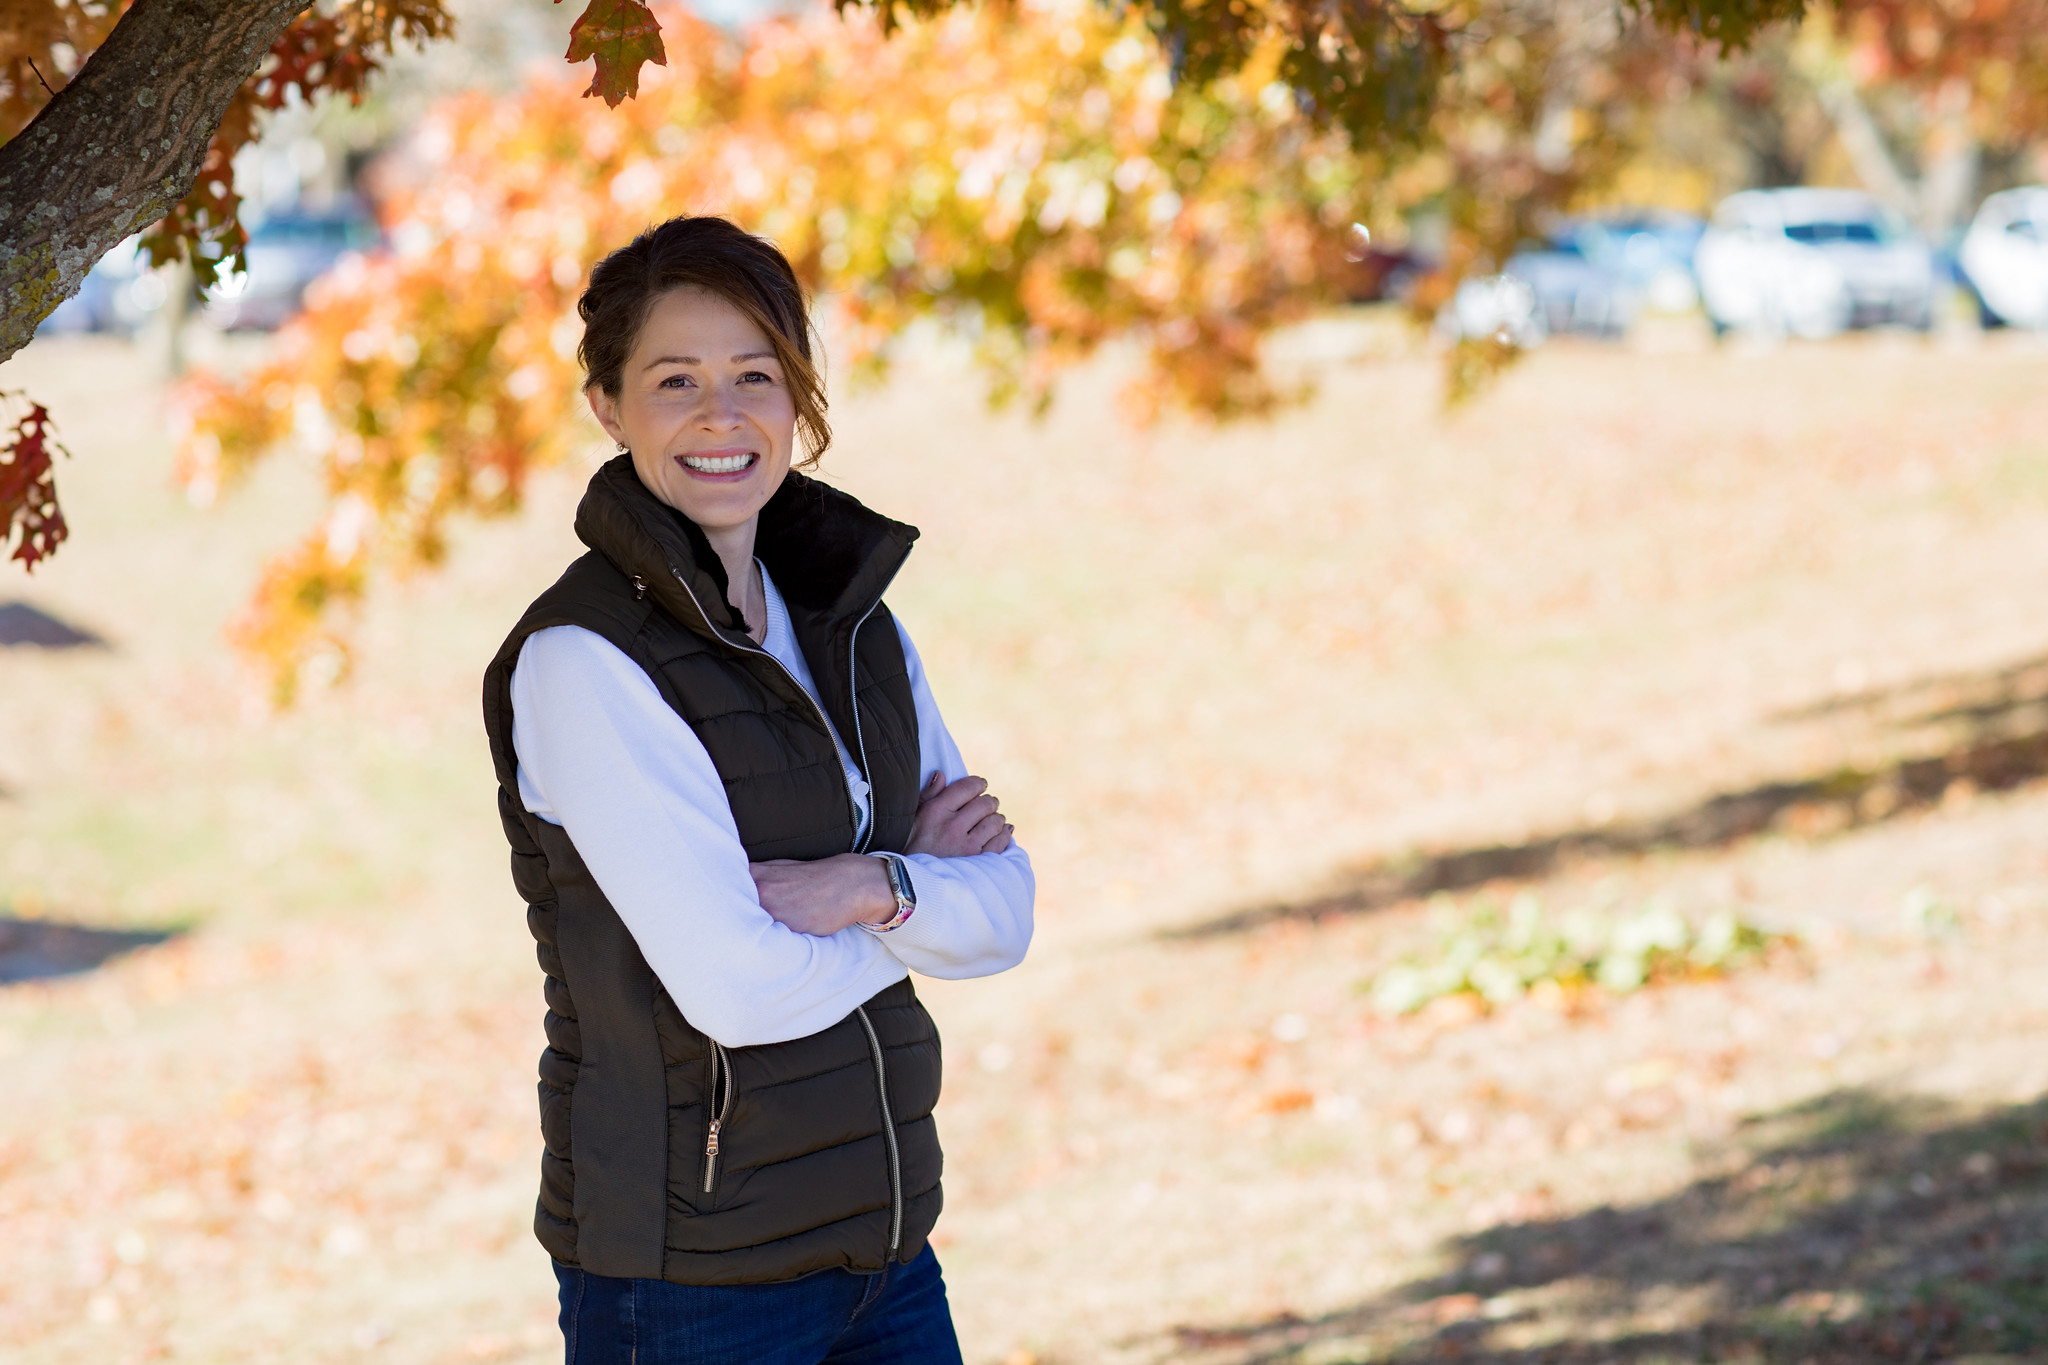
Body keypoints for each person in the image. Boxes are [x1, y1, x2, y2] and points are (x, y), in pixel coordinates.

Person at [479, 215, 1035, 1364]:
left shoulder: (854, 625)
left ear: (798, 399)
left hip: (884, 1258)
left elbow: (1007, 915)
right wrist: (908, 895)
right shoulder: (585, 662)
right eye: (673, 379)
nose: (720, 416)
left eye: (754, 376)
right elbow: (736, 989)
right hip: (693, 1285)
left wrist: (865, 886)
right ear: (608, 407)